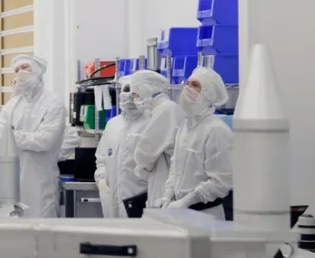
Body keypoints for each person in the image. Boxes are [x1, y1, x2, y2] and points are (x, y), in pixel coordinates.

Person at [153, 66, 234, 219]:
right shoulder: (185, 126)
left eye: (195, 85)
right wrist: (168, 195)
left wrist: (187, 201)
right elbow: (176, 167)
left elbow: (221, 181)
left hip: (206, 215)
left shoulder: (216, 130)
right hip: (181, 213)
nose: (188, 88)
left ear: (209, 93)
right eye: (187, 83)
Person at [0, 54, 66, 216]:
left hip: (40, 182)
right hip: (10, 181)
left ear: (38, 71)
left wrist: (12, 137)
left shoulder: (53, 102)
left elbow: (45, 140)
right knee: (12, 228)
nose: (20, 72)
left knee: (41, 226)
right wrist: (25, 138)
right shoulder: (12, 104)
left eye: (25, 67)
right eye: (17, 70)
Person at [116, 69, 177, 218]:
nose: (134, 98)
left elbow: (145, 154)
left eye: (136, 94)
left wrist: (142, 171)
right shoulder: (161, 110)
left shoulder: (164, 110)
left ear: (148, 89)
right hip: (162, 184)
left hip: (164, 184)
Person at [92, 83, 138, 217]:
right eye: (126, 90)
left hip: (137, 198)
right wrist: (102, 181)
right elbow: (101, 159)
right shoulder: (113, 124)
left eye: (134, 92)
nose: (128, 95)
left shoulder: (149, 123)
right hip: (111, 198)